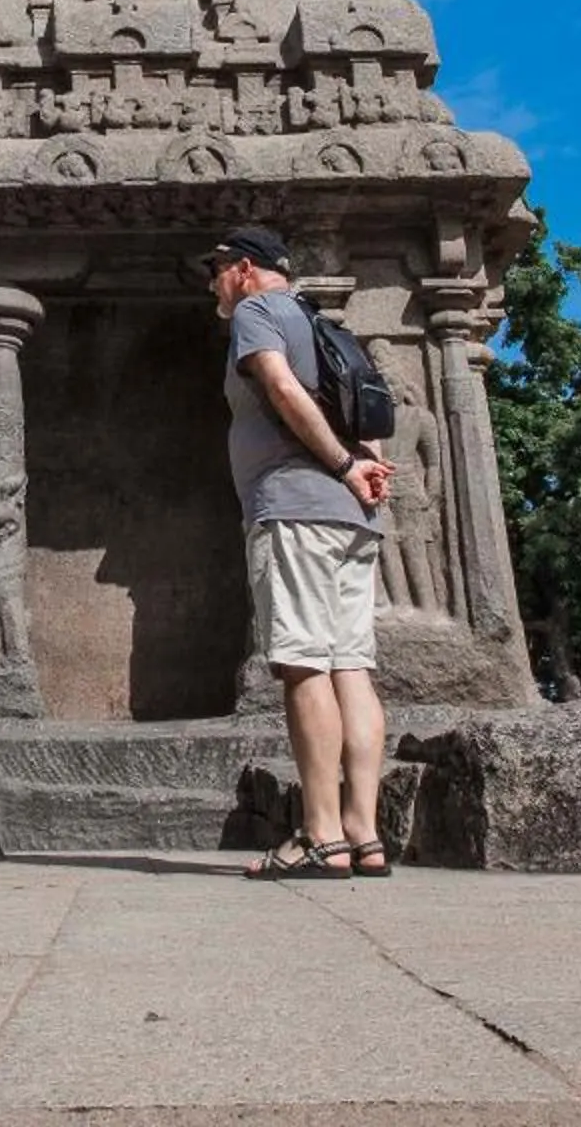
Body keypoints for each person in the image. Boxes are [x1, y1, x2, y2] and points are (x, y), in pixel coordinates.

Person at [203, 226, 396, 879]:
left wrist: (342, 466)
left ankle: (320, 833)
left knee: (304, 664)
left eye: (217, 270)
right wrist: (366, 475)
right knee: (352, 667)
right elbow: (374, 413)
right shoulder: (325, 323)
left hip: (296, 507)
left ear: (245, 268)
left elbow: (282, 390)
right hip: (352, 521)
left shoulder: (258, 312)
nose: (213, 284)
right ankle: (364, 832)